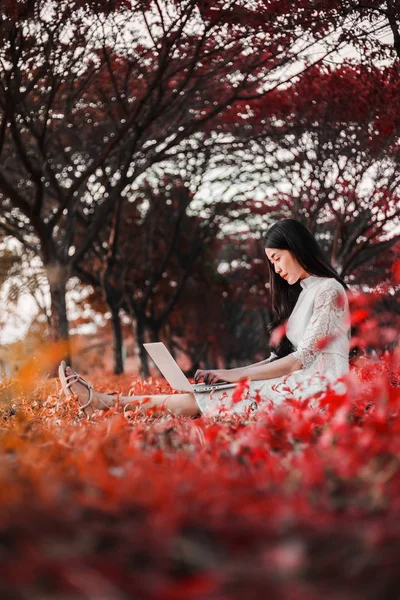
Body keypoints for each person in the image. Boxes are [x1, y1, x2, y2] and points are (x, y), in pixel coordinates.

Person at [58, 218, 351, 419]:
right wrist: (225, 376)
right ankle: (105, 402)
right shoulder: (303, 294)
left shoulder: (329, 289)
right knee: (214, 392)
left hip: (320, 391)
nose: (274, 269)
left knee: (212, 397)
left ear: (296, 248)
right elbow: (278, 360)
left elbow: (301, 360)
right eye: (270, 262)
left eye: (276, 258)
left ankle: (104, 403)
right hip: (299, 383)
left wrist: (233, 376)